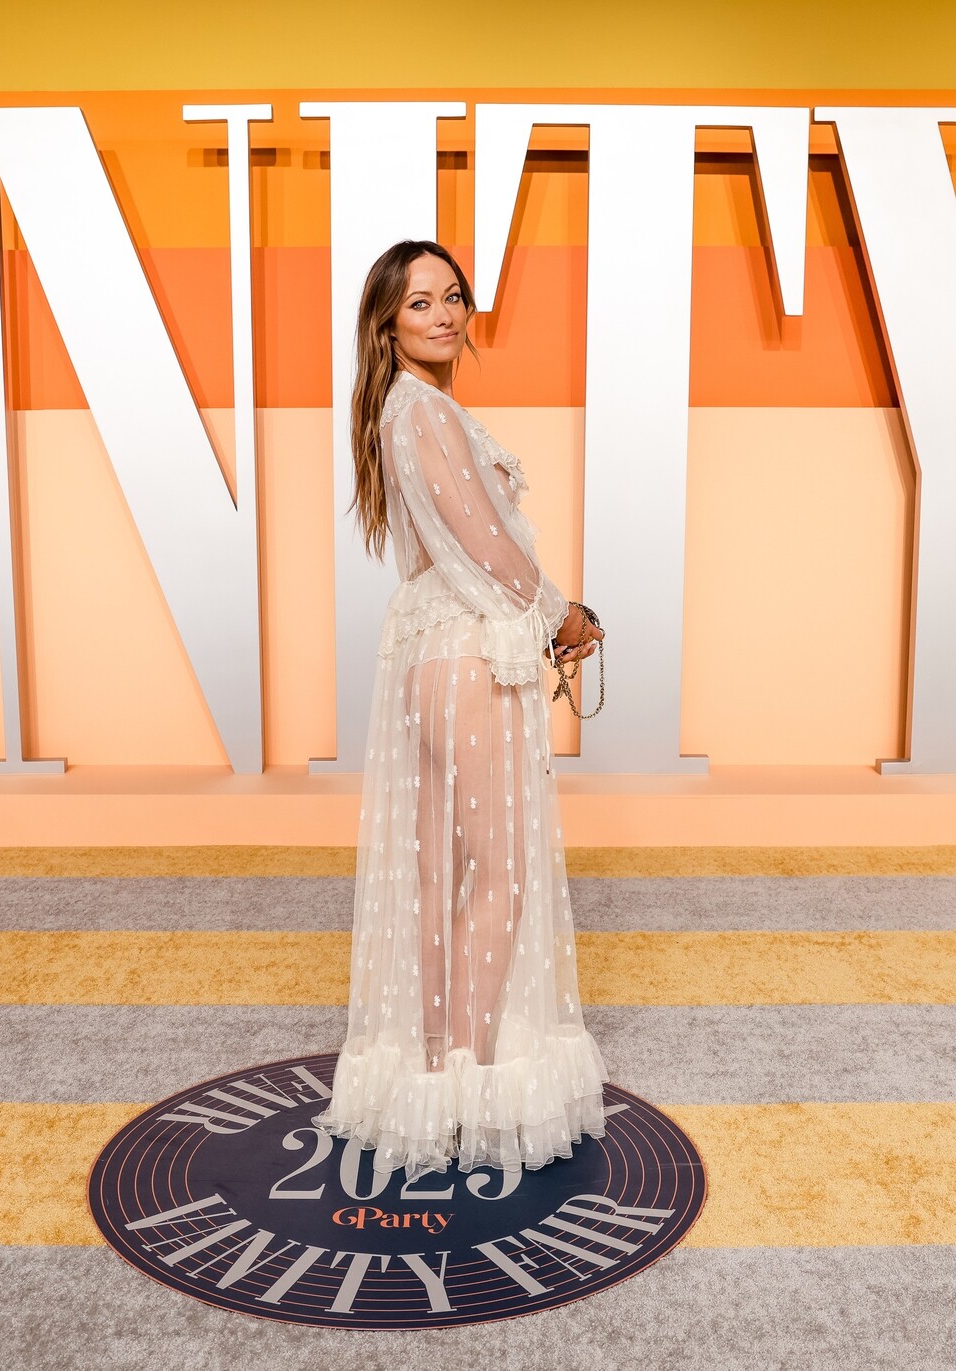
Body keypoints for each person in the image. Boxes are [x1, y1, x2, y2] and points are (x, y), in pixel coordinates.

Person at [313, 239, 610, 1184]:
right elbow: (483, 540)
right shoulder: (426, 410)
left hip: (433, 657)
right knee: (500, 871)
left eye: (452, 297)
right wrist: (561, 613)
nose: (444, 315)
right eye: (419, 303)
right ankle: (468, 1083)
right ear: (387, 324)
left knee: (443, 873)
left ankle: (438, 1070)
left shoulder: (400, 411)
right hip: (469, 657)